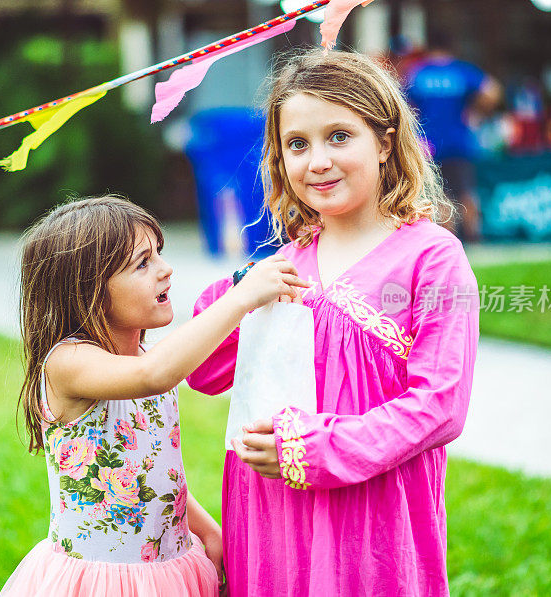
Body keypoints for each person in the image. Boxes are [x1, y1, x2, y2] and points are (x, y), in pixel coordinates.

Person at [187, 50, 480, 596]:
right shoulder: (277, 268)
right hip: (271, 522)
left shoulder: (432, 259)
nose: (317, 160)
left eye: (339, 136)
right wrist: (236, 293)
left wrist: (316, 449)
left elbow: (441, 405)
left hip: (369, 526)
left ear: (386, 142)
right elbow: (204, 373)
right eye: (297, 143)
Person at [0, 195, 310, 597]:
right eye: (143, 263)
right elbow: (154, 374)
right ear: (88, 289)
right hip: (100, 583)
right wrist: (241, 297)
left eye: (159, 253)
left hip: (168, 572)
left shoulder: (143, 357)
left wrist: (207, 530)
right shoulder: (68, 363)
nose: (165, 269)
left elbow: (155, 477)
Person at [405, 31, 502, 242]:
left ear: (429, 48)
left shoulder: (418, 73)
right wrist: (476, 111)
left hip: (429, 144)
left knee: (441, 194)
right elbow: (493, 90)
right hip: (460, 141)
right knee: (466, 191)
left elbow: (404, 105)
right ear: (451, 47)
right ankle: (474, 239)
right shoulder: (461, 71)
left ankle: (449, 241)